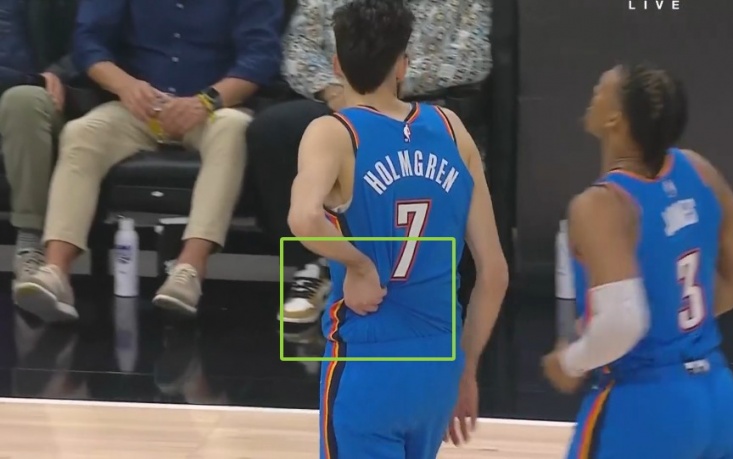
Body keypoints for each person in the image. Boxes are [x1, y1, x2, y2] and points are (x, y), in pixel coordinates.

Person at [286, 1, 508, 457]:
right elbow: (495, 273)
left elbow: (303, 218)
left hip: (369, 366)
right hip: (438, 367)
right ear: (403, 65)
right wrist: (466, 369)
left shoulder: (334, 133)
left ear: (336, 65)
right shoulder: (452, 129)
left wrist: (359, 265)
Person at [13, 0, 283, 322]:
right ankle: (56, 272)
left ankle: (188, 270)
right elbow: (89, 42)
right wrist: (125, 85)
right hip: (138, 106)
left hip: (213, 108)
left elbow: (261, 56)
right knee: (81, 133)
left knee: (233, 129)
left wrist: (206, 101)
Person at [542, 63, 733, 458]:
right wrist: (672, 322)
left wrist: (569, 362)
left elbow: (623, 324)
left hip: (647, 409)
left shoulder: (602, 204)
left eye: (600, 88)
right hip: (720, 399)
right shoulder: (699, 170)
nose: (593, 92)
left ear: (615, 119)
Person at [249, 0, 493, 326]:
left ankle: (408, 274)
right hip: (337, 99)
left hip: (423, 103)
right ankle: (315, 265)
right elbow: (297, 51)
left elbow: (472, 57)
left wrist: (383, 83)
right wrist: (338, 91)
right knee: (274, 129)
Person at [0, 0, 80, 291]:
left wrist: (59, 72)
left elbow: (93, 39)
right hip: (22, 81)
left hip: (37, 101)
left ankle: (30, 243)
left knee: (21, 100)